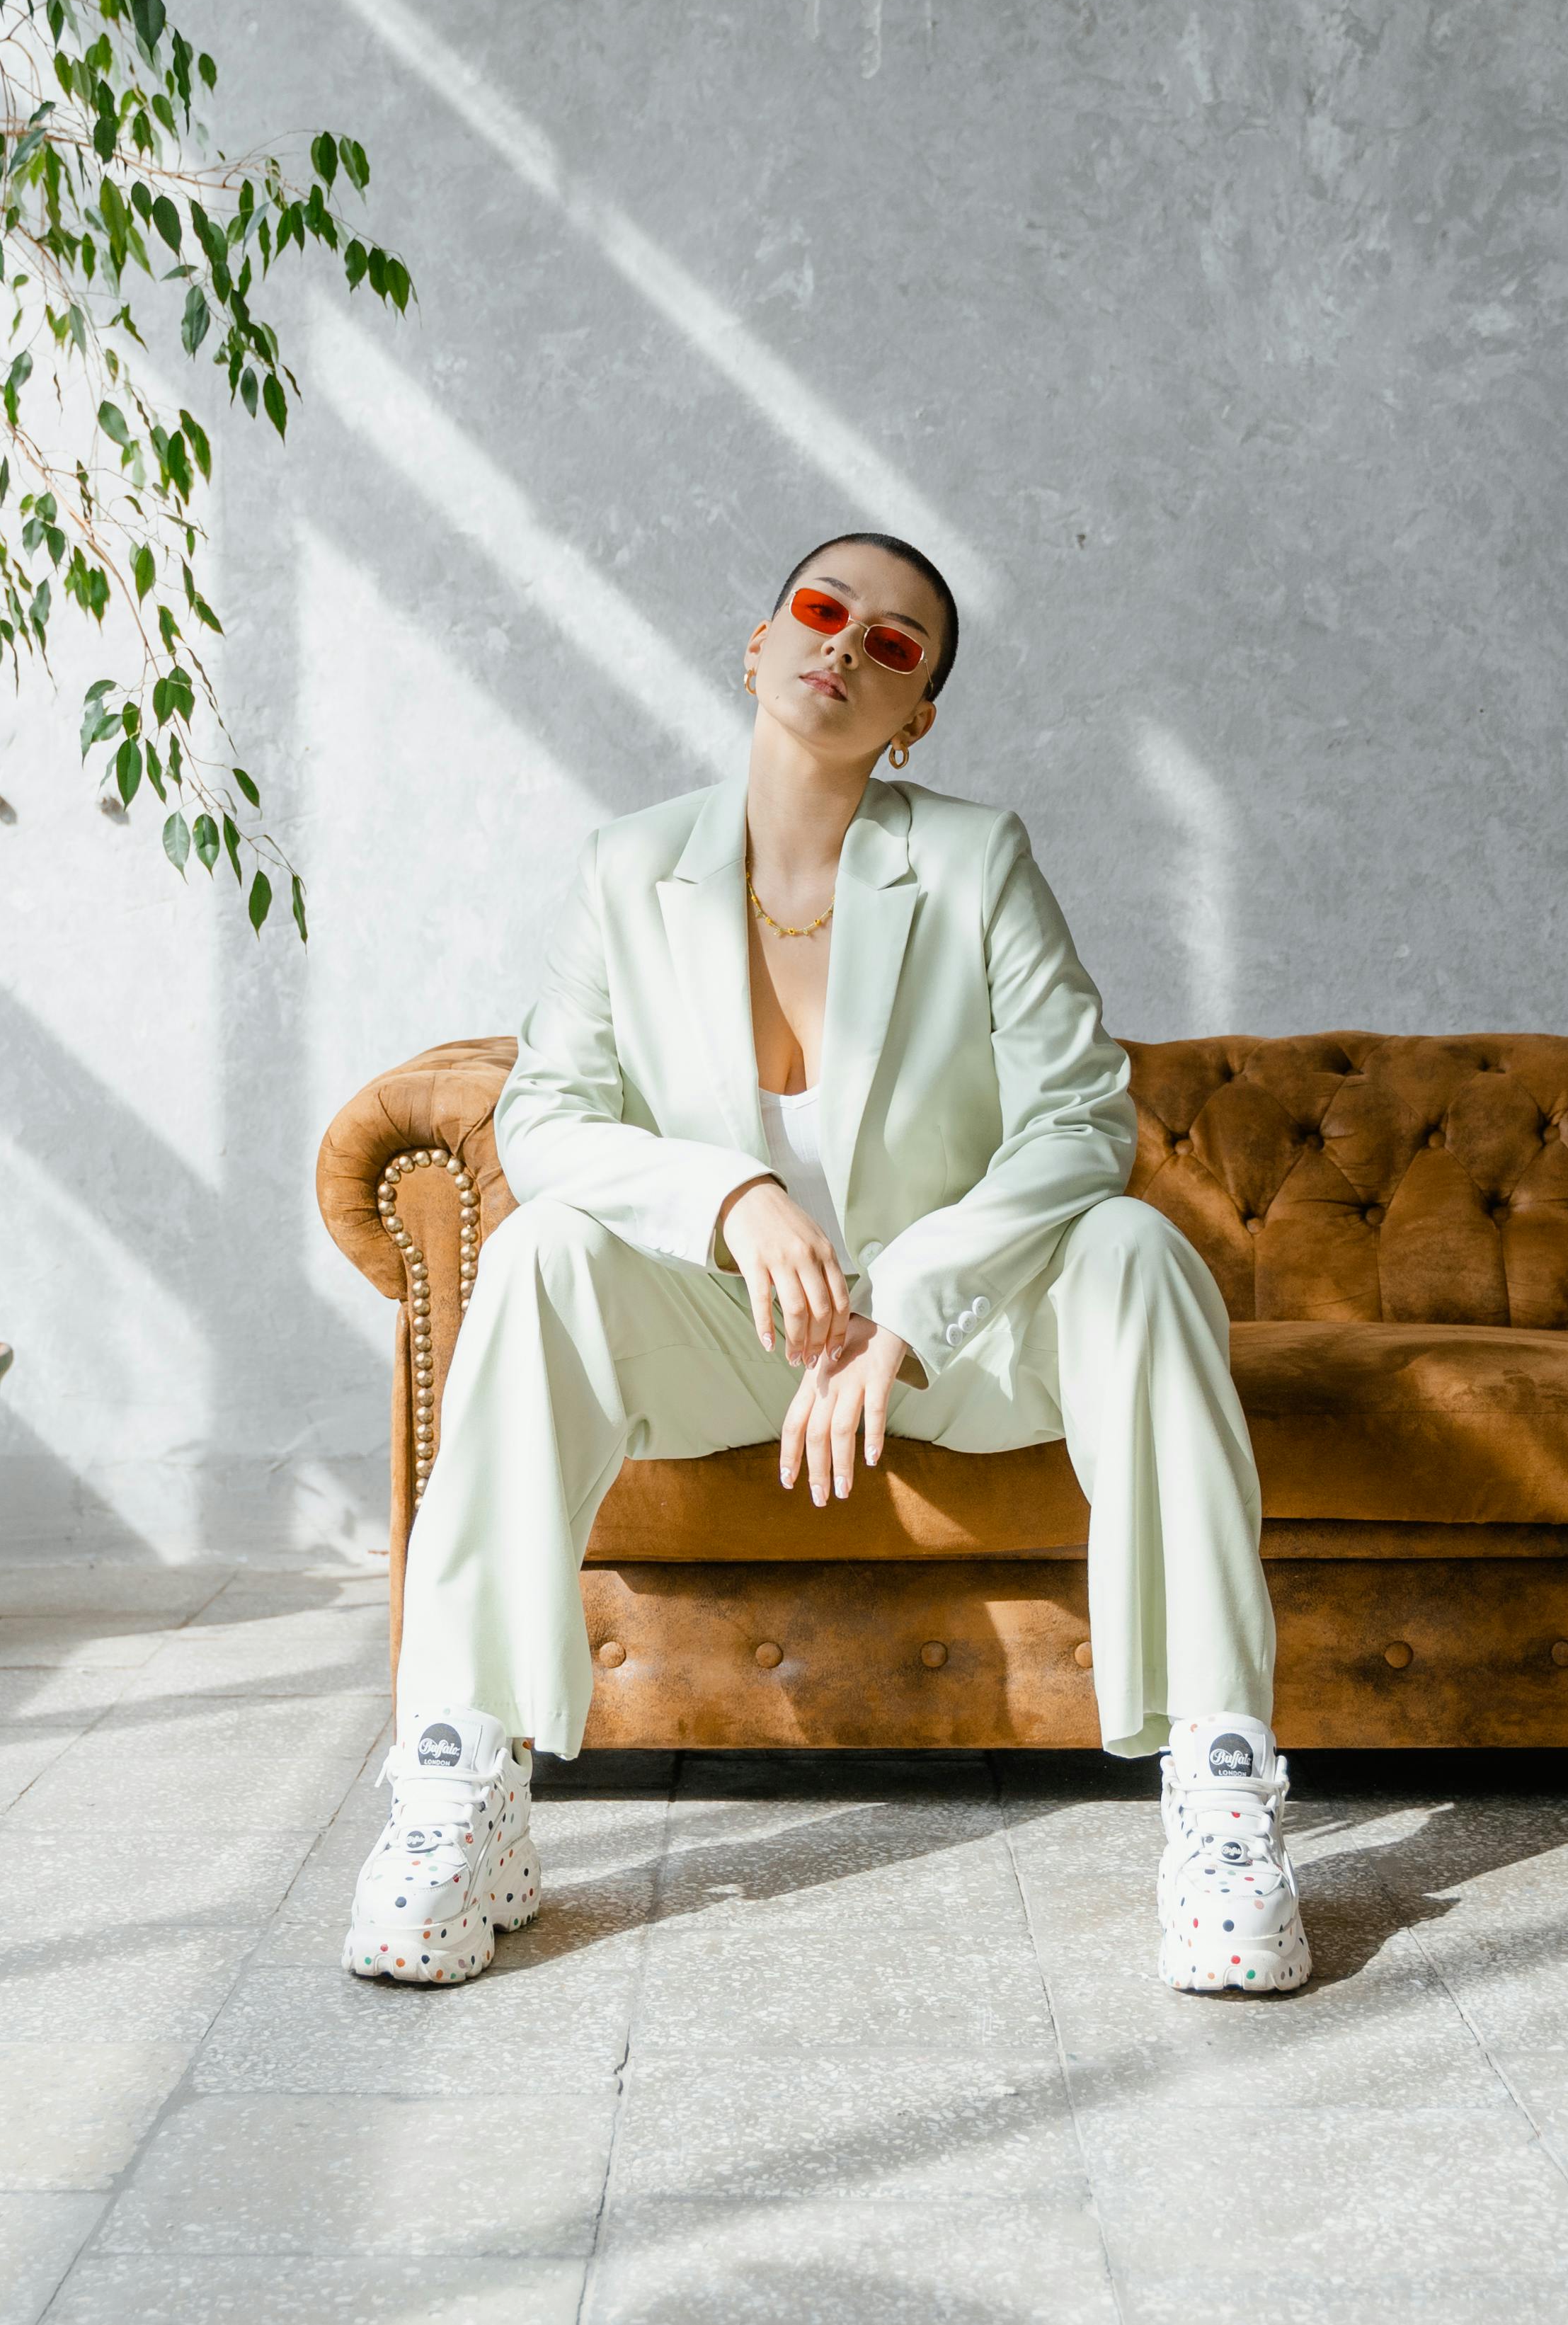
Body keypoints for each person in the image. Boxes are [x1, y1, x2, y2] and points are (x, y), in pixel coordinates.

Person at [344, 531, 1305, 1996]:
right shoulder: (628, 867)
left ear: (915, 718)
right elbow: (540, 1122)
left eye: (897, 643)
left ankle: (1224, 1796)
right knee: (539, 1251)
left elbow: (1080, 1121)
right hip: (730, 1341)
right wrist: (726, 1194)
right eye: (820, 610)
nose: (847, 646)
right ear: (757, 645)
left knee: (1134, 1249)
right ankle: (457, 1788)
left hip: (955, 1350)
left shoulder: (976, 861)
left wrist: (906, 1310)